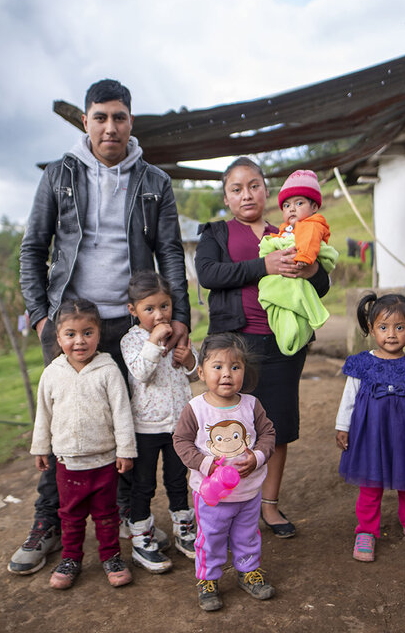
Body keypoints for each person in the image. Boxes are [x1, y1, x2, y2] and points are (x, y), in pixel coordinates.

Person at [13, 78, 190, 575]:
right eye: (100, 117)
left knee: (132, 429)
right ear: (86, 121)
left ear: (131, 122)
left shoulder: (154, 181)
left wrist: (178, 319)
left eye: (119, 117)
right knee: (67, 429)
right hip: (73, 327)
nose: (109, 126)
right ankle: (48, 523)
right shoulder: (60, 175)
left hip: (137, 327)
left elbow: (171, 252)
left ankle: (133, 529)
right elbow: (34, 247)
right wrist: (43, 315)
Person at [195, 157, 329, 539]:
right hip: (234, 346)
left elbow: (320, 286)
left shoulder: (291, 230)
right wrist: (264, 265)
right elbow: (209, 274)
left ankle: (269, 507)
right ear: (226, 197)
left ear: (267, 191)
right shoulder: (217, 234)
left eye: (253, 185)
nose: (246, 194)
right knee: (230, 425)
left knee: (278, 426)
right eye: (236, 189)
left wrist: (312, 271)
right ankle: (229, 502)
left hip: (283, 344)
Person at [29, 299, 136, 589]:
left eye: (88, 333)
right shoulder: (52, 373)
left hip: (103, 463)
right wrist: (41, 447)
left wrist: (126, 450)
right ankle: (71, 558)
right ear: (58, 336)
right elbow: (43, 415)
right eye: (71, 334)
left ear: (98, 334)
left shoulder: (108, 370)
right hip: (68, 465)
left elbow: (122, 412)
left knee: (106, 515)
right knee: (71, 517)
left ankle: (112, 557)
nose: (80, 341)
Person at [172, 333, 277, 611]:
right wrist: (206, 464)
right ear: (202, 371)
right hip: (212, 497)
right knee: (211, 537)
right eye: (217, 366)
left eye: (235, 367)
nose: (226, 374)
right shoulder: (196, 409)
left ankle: (248, 571)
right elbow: (180, 441)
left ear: (244, 371)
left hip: (248, 492)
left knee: (247, 536)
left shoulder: (252, 405)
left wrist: (257, 457)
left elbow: (268, 434)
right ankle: (208, 580)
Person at [334, 293, 405, 562]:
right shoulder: (362, 364)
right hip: (371, 436)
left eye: (400, 327)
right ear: (371, 329)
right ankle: (366, 531)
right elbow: (349, 399)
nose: (391, 334)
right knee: (370, 485)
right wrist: (343, 427)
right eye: (383, 327)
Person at [120, 271, 199, 573]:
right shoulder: (132, 341)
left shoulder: (177, 335)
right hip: (146, 428)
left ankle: (184, 532)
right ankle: (141, 539)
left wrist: (189, 358)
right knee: (144, 485)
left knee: (178, 481)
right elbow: (141, 373)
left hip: (179, 425)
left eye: (164, 306)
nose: (159, 314)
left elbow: (195, 374)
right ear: (133, 310)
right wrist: (154, 342)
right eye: (149, 309)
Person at [258, 169, 338, 355]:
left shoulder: (311, 224)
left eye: (299, 203)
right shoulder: (287, 228)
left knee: (292, 301)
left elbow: (308, 244)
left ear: (314, 207)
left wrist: (303, 258)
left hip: (301, 264)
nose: (291, 209)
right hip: (286, 272)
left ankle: (293, 334)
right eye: (286, 205)